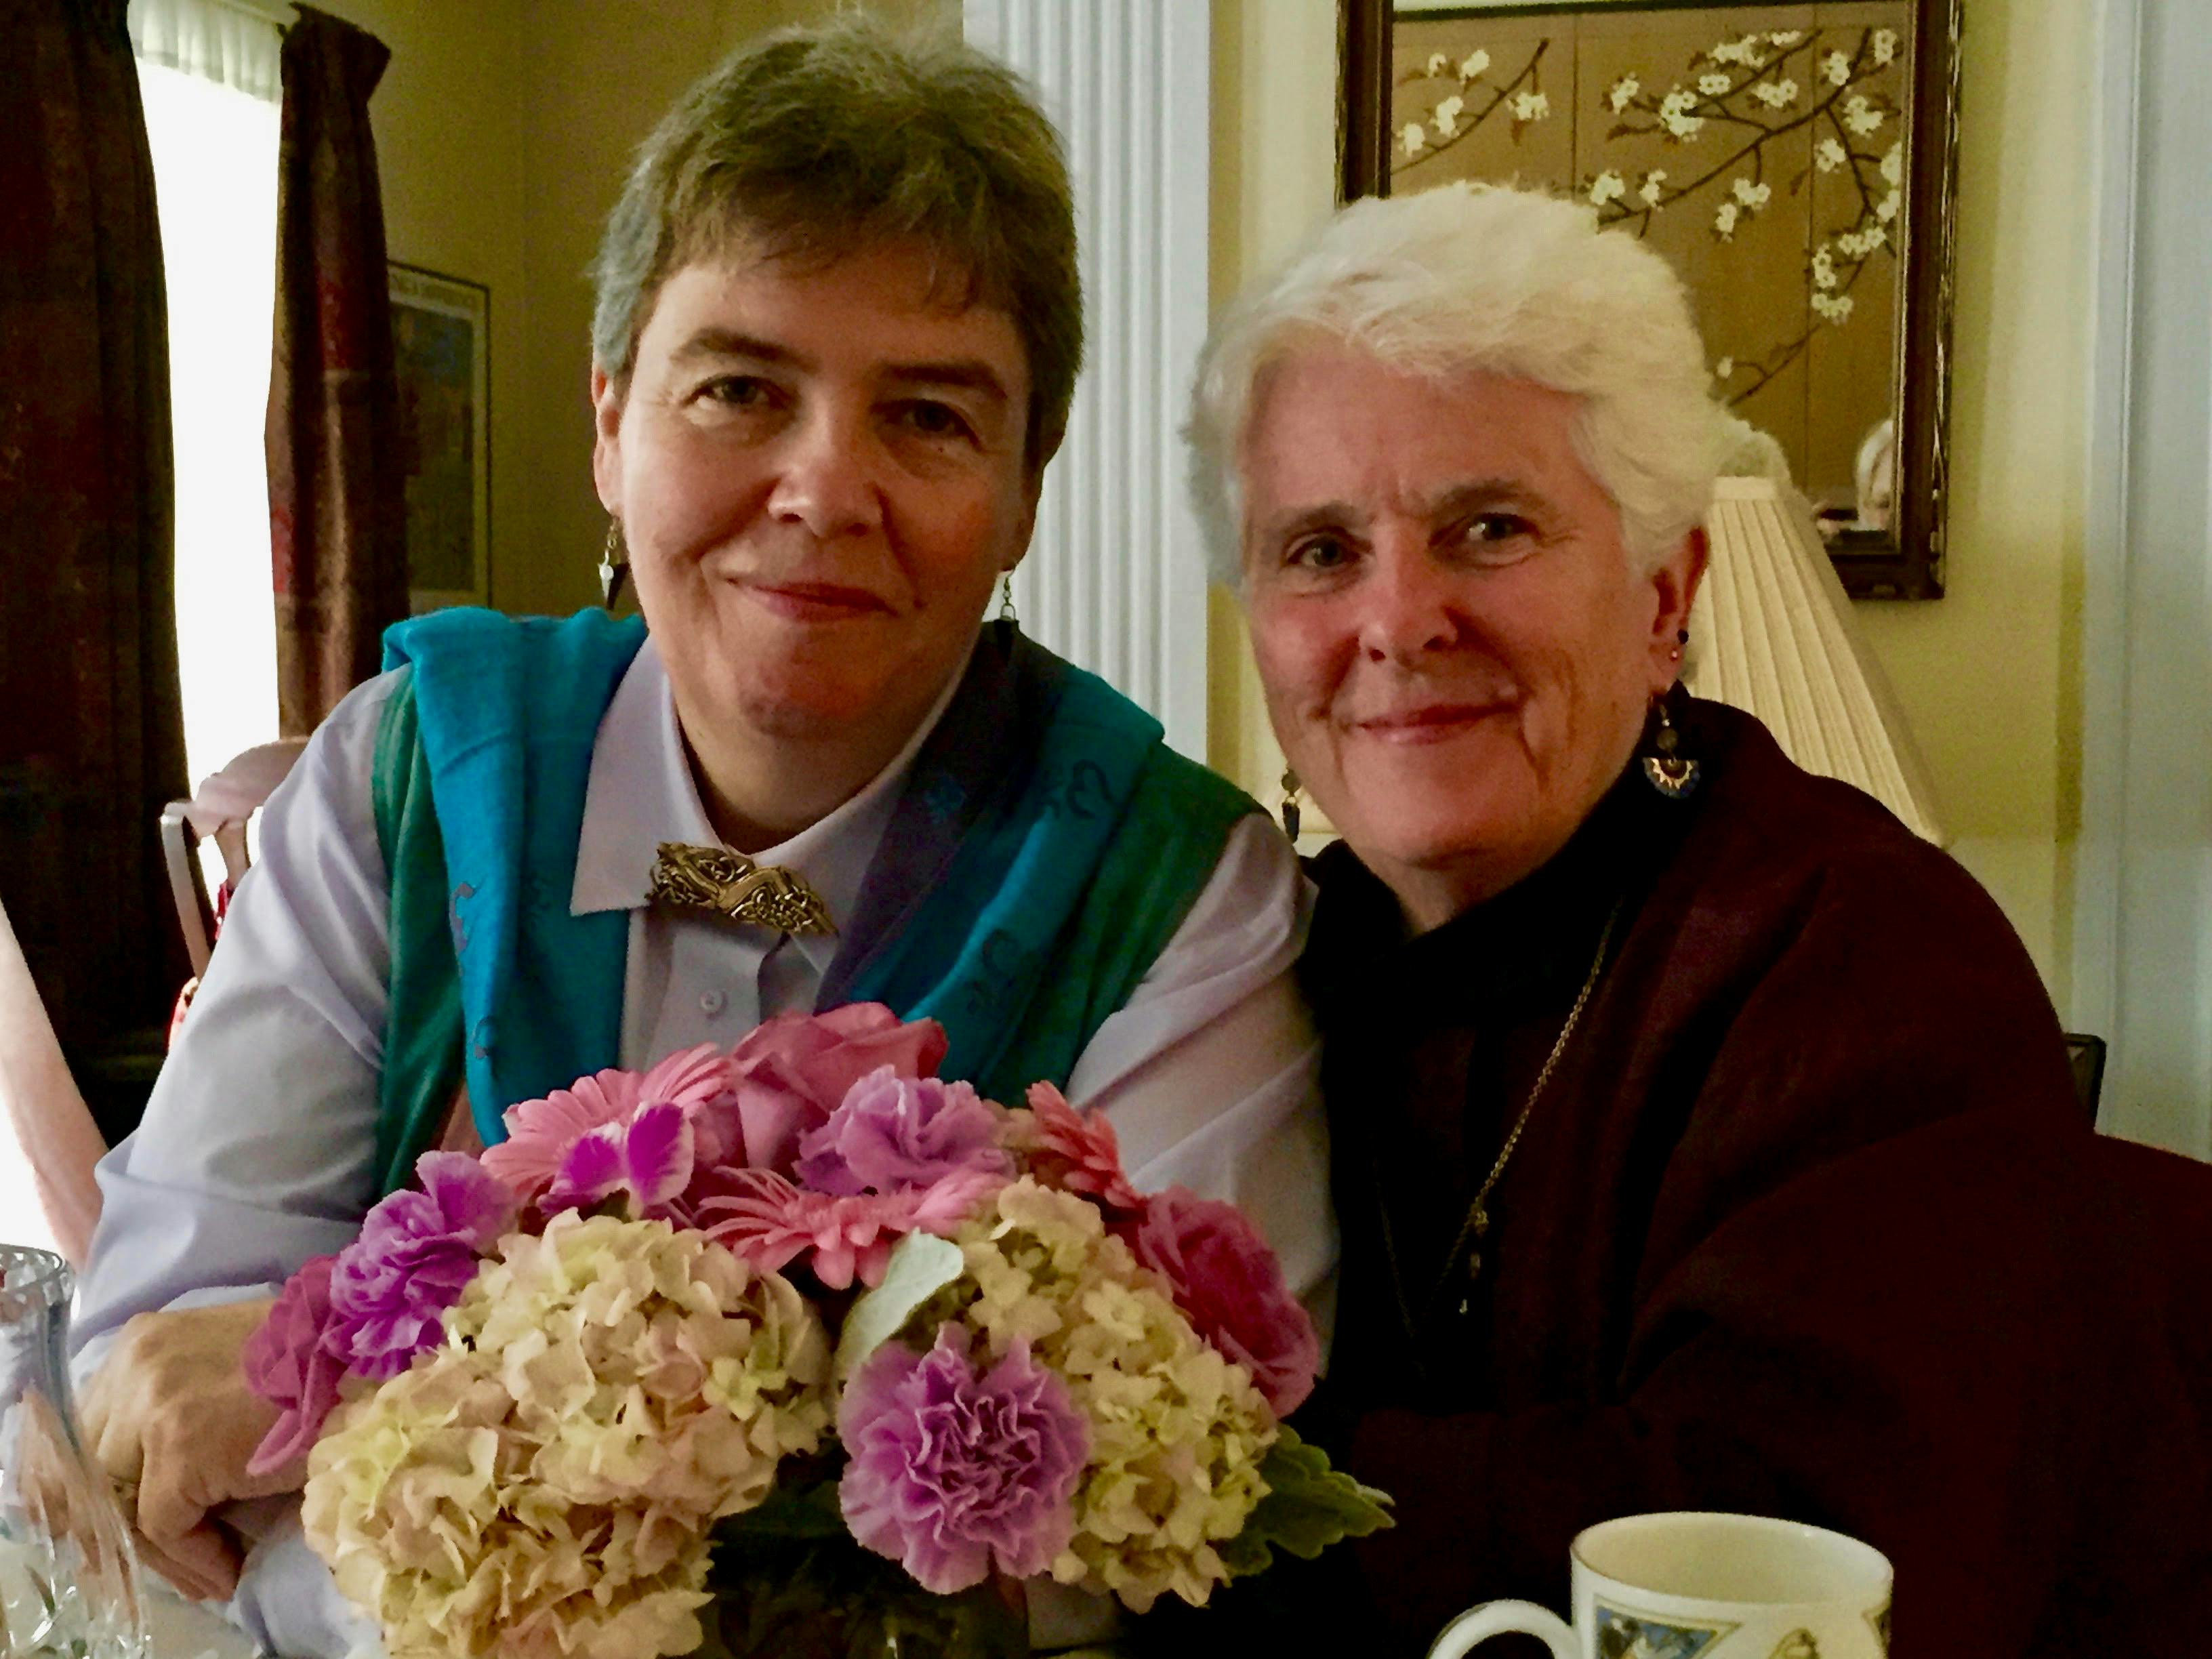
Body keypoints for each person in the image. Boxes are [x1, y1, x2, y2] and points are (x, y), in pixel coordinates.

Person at [69, 23, 1332, 1657]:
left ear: (1025, 494)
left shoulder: (1176, 894)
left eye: (929, 416)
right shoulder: (407, 780)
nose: (823, 488)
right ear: (610, 425)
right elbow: (162, 1403)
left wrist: (375, 1395)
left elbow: (1149, 1509)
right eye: (740, 388)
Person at [1181, 181, 2212, 1655]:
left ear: (1665, 596)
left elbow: (1788, 1557)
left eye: (1488, 528)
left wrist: (1198, 1484)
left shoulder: (1864, 957)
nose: (1397, 622)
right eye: (1320, 551)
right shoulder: (1246, 966)